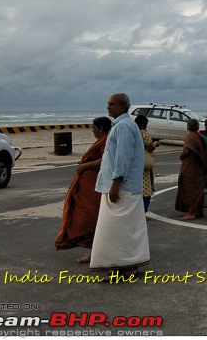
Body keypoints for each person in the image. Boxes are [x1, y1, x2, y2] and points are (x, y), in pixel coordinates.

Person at [89, 93, 149, 277]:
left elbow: (123, 158)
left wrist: (116, 183)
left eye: (111, 104)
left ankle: (126, 265)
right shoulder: (123, 125)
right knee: (125, 228)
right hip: (123, 186)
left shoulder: (123, 126)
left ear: (122, 106)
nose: (108, 107)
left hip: (122, 188)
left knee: (116, 229)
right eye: (108, 103)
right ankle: (126, 265)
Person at [55, 116, 112, 263]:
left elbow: (106, 160)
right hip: (88, 187)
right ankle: (96, 252)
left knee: (91, 219)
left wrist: (85, 166)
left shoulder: (106, 141)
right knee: (86, 218)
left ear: (100, 128)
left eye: (94, 127)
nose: (92, 130)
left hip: (94, 189)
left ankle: (98, 252)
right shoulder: (102, 140)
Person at [175, 119, 207, 221]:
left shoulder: (189, 137)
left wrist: (181, 157)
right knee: (198, 189)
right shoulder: (200, 137)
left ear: (188, 127)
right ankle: (198, 211)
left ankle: (191, 212)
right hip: (199, 166)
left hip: (190, 167)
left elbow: (186, 151)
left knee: (189, 190)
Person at [135, 115, 160, 213]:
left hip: (135, 164)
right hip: (144, 164)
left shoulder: (134, 133)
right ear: (143, 125)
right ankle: (143, 211)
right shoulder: (144, 133)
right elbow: (149, 148)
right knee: (146, 189)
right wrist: (155, 144)